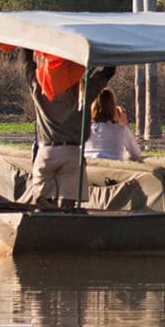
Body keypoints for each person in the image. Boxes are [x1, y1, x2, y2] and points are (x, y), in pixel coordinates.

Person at [22, 49, 115, 209]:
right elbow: (109, 71)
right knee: (68, 205)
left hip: (46, 153)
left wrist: (28, 44)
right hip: (72, 152)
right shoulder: (84, 91)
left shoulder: (39, 89)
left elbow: (28, 65)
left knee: (43, 204)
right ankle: (66, 220)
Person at [85, 87, 142, 162]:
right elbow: (136, 155)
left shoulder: (84, 131)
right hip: (113, 170)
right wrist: (125, 125)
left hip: (90, 168)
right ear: (113, 108)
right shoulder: (121, 130)